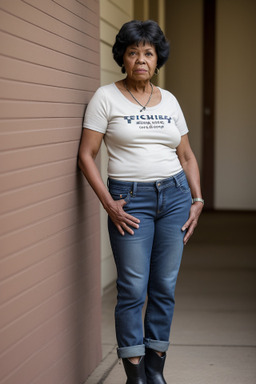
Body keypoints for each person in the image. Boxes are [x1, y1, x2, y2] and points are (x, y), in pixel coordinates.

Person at [79, 20, 203, 384]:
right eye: (133, 52)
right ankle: (135, 375)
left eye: (148, 53)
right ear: (123, 57)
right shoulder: (106, 97)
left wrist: (197, 199)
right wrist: (107, 203)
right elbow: (87, 155)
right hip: (129, 201)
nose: (141, 60)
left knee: (164, 286)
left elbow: (187, 155)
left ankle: (156, 371)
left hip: (175, 197)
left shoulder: (171, 100)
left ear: (157, 58)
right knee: (133, 288)